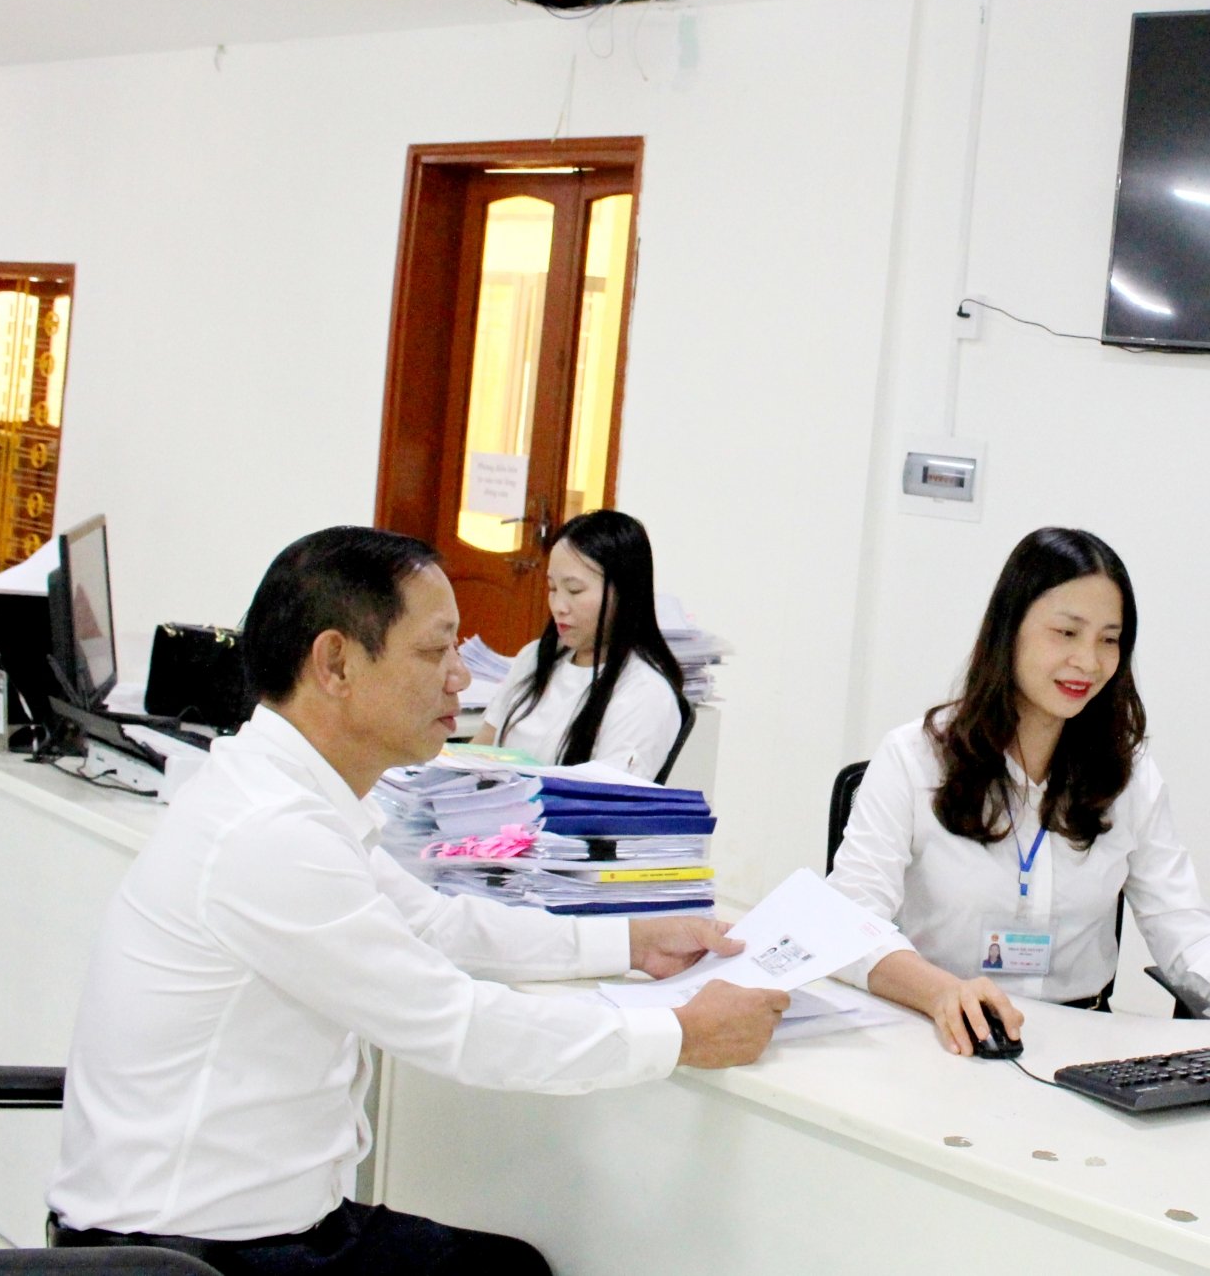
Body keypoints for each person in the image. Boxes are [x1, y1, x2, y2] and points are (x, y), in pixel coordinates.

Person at [48, 526, 787, 1274]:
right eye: (436, 652)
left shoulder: (285, 795)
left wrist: (629, 942)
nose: (462, 681)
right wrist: (681, 1034)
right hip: (192, 1254)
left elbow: (435, 923)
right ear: (335, 662)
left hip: (254, 1223)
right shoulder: (270, 834)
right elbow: (456, 1025)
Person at [829, 527, 1210, 1056]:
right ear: (1010, 629)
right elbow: (847, 922)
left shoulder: (1128, 773)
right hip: (938, 1038)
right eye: (1067, 633)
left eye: (1109, 639)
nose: (1090, 662)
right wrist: (943, 993)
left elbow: (1186, 935)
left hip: (1077, 1047)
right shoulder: (915, 759)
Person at [473, 509, 685, 779]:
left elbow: (607, 804)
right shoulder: (535, 657)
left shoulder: (644, 693)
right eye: (552, 588)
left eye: (574, 590)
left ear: (624, 593)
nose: (558, 606)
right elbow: (482, 746)